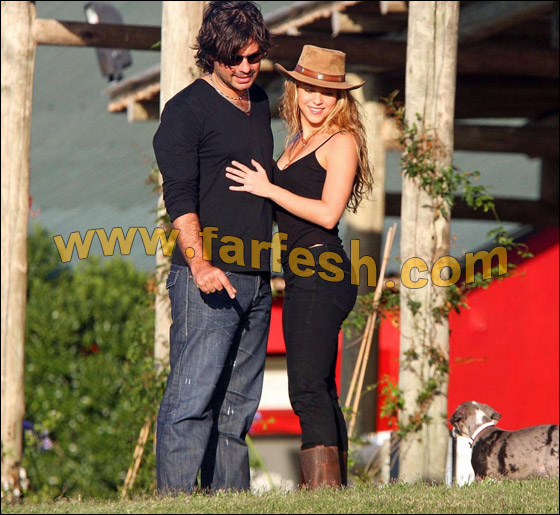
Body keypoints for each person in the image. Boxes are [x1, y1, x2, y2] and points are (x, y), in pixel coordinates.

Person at [226, 45, 373, 488]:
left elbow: (328, 214)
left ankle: (323, 493)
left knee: (306, 387)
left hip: (322, 270)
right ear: (295, 89)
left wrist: (268, 188)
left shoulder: (341, 141)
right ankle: (337, 491)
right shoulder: (294, 143)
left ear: (340, 98)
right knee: (319, 386)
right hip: (298, 272)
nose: (317, 99)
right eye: (309, 88)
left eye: (327, 92)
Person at [152, 1, 274, 494]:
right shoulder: (186, 110)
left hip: (257, 279)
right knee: (191, 403)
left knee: (237, 411)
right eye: (234, 58)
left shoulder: (260, 101)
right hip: (208, 279)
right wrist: (200, 265)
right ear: (212, 55)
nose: (245, 67)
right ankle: (175, 502)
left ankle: (228, 502)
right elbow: (179, 196)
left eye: (254, 57)